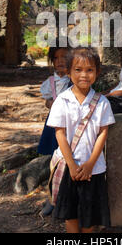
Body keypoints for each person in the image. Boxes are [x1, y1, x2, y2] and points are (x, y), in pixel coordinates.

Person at [47, 47, 115, 233]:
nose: (83, 75)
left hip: (94, 169)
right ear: (68, 72)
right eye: (78, 69)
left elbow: (103, 133)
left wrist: (90, 163)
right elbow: (59, 134)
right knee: (71, 215)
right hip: (70, 168)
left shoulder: (102, 102)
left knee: (89, 216)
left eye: (89, 69)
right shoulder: (62, 100)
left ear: (97, 72)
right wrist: (71, 165)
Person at [37, 42, 71, 216]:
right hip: (54, 126)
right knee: (54, 161)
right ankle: (51, 198)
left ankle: (65, 199)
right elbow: (47, 101)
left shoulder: (75, 78)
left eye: (64, 57)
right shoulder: (50, 82)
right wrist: (50, 103)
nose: (60, 61)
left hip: (71, 127)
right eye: (56, 58)